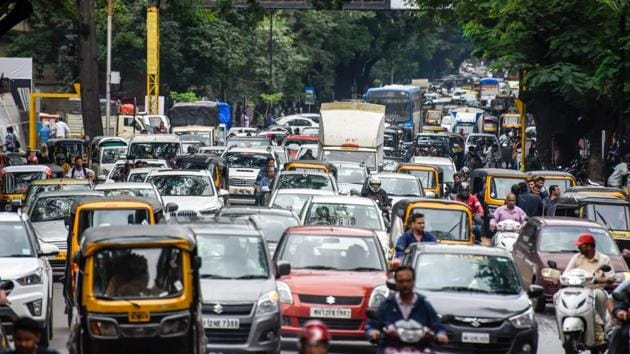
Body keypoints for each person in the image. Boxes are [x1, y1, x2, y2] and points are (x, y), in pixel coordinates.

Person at [366, 266, 448, 350]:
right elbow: (373, 325)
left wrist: (441, 334)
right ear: (396, 283)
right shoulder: (387, 305)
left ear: (413, 282)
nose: (405, 284)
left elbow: (437, 325)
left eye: (408, 281)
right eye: (401, 281)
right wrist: (373, 332)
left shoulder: (423, 305)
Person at [564, 233, 615, 340]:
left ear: (589, 246)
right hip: (578, 290)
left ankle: (600, 326)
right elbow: (566, 273)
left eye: (581, 245)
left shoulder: (604, 259)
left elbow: (611, 277)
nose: (578, 247)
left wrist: (602, 279)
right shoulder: (577, 258)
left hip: (595, 289)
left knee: (599, 295)